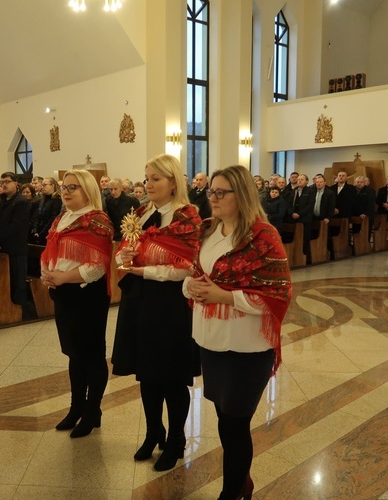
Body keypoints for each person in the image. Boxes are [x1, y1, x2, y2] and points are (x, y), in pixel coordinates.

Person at [185, 165, 291, 500]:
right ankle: (241, 483)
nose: (212, 198)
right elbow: (194, 273)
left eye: (220, 193)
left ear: (241, 195)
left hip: (248, 347)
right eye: (210, 192)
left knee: (235, 422)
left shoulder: (263, 236)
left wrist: (226, 296)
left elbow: (278, 292)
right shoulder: (206, 231)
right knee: (223, 417)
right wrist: (190, 286)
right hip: (211, 340)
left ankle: (232, 492)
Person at [111, 154, 202, 472]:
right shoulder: (142, 212)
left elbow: (188, 267)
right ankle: (154, 432)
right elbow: (130, 249)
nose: (147, 184)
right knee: (147, 374)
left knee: (173, 378)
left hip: (170, 305)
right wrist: (124, 256)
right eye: (146, 178)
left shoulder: (187, 217)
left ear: (173, 182)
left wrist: (144, 271)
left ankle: (176, 439)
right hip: (140, 302)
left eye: (155, 179)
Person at [40, 169, 114, 438]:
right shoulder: (62, 218)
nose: (66, 191)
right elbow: (51, 249)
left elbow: (98, 267)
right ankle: (76, 408)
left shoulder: (98, 220)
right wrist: (47, 272)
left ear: (88, 190)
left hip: (87, 296)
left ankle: (92, 410)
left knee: (92, 355)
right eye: (64, 186)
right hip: (64, 293)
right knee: (74, 353)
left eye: (74, 187)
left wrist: (61, 277)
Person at [0, 172, 34, 319]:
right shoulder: (2, 201)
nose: (4, 184)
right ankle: (9, 311)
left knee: (18, 282)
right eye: (2, 181)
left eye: (7, 181)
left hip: (16, 248)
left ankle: (22, 313)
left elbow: (16, 226)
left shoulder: (21, 202)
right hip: (3, 248)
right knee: (7, 282)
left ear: (16, 183)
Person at [30, 177, 62, 245]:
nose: (42, 187)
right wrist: (35, 230)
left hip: (47, 233)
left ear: (52, 186)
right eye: (42, 185)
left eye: (44, 185)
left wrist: (42, 234)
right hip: (38, 231)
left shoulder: (57, 200)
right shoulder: (42, 199)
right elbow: (37, 216)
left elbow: (52, 219)